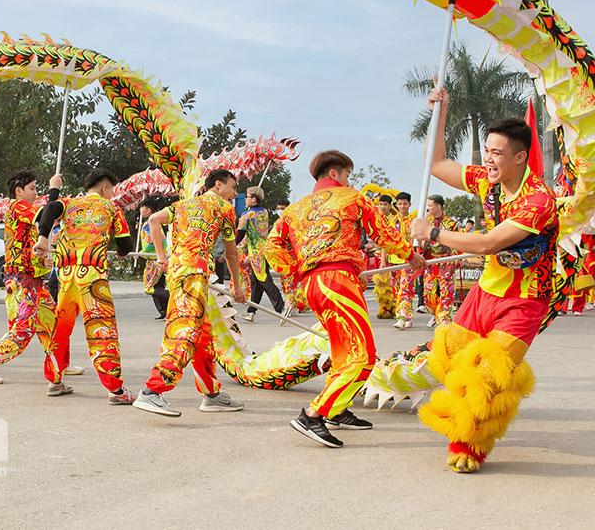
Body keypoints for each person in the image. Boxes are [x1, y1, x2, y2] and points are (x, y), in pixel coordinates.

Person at [409, 85, 558, 473]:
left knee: (489, 376)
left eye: (497, 153)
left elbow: (490, 243)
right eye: (487, 151)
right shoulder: (486, 181)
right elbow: (438, 163)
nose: (488, 160)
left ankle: (469, 443)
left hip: (524, 300)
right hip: (486, 291)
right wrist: (440, 112)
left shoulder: (538, 200)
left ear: (521, 157)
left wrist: (435, 234)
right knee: (452, 358)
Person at [266, 151, 425, 448]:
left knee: (342, 352)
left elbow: (271, 248)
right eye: (348, 175)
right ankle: (314, 414)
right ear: (337, 174)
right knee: (362, 357)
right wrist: (410, 255)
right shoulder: (352, 197)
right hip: (337, 282)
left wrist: (298, 269)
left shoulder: (294, 210)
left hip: (313, 285)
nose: (349, 180)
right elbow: (383, 233)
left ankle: (336, 411)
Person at [132, 169, 247, 418]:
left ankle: (211, 393)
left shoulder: (181, 205)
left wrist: (163, 258)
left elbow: (153, 221)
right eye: (233, 186)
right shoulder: (225, 208)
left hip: (180, 272)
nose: (235, 192)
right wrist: (237, 287)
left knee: (203, 335)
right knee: (184, 330)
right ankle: (152, 391)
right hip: (194, 274)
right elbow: (231, 253)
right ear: (218, 185)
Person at [34, 169, 136, 405]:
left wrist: (42, 238)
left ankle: (55, 381)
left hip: (67, 277)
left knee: (61, 328)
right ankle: (116, 390)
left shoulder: (69, 203)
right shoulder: (111, 209)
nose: (112, 194)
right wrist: (122, 253)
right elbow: (125, 244)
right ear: (105, 188)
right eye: (112, 190)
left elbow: (49, 209)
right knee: (102, 330)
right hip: (93, 277)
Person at [0, 171, 61, 385]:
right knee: (24, 328)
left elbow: (30, 246)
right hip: (21, 280)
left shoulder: (25, 214)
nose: (35, 193)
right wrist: (54, 189)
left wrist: (42, 261)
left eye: (37, 189)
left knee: (52, 322)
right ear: (19, 191)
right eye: (32, 189)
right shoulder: (18, 206)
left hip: (34, 279)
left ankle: (58, 362)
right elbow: (49, 213)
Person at [238, 186, 284, 322]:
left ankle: (281, 307)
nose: (245, 199)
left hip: (255, 252)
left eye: (247, 196)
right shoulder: (264, 211)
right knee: (256, 282)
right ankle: (251, 311)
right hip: (264, 248)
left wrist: (232, 245)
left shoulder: (247, 214)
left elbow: (240, 234)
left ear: (254, 199)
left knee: (264, 280)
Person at [420, 194, 459, 327]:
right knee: (428, 294)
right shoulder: (426, 222)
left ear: (438, 206)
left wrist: (454, 260)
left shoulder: (451, 223)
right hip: (430, 262)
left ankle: (444, 318)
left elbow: (456, 242)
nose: (428, 208)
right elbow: (422, 243)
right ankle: (435, 314)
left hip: (446, 262)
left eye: (430, 205)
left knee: (446, 291)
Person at [390, 191, 419, 329]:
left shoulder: (413, 221)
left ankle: (402, 317)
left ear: (409, 204)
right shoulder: (391, 221)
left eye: (405, 204)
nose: (402, 206)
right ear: (396, 205)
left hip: (407, 260)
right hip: (393, 260)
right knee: (397, 290)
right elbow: (386, 241)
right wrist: (384, 259)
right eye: (400, 204)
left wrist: (414, 257)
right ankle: (406, 316)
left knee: (405, 288)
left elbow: (416, 241)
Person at [138, 199, 170, 319]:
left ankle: (172, 297)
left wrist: (142, 252)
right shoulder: (156, 223)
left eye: (142, 207)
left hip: (154, 259)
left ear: (148, 210)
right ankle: (164, 311)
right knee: (158, 285)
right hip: (158, 257)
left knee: (149, 287)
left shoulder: (149, 224)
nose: (140, 210)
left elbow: (151, 243)